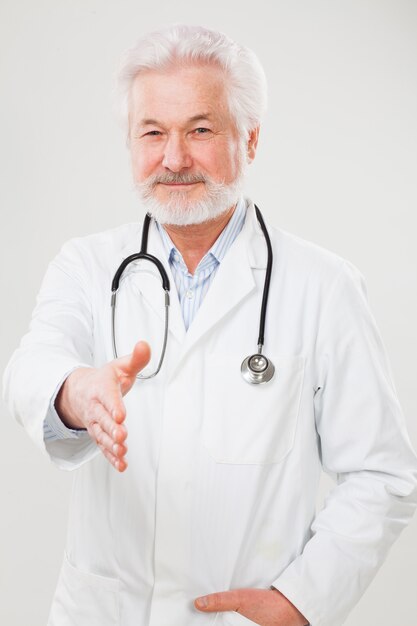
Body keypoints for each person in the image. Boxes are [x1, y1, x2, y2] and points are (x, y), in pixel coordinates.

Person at [3, 24, 417, 626]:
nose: (173, 159)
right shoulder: (87, 266)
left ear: (249, 139)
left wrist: (303, 601)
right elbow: (30, 366)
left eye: (200, 130)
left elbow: (382, 473)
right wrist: (74, 391)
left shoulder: (323, 286)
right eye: (152, 133)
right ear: (130, 142)